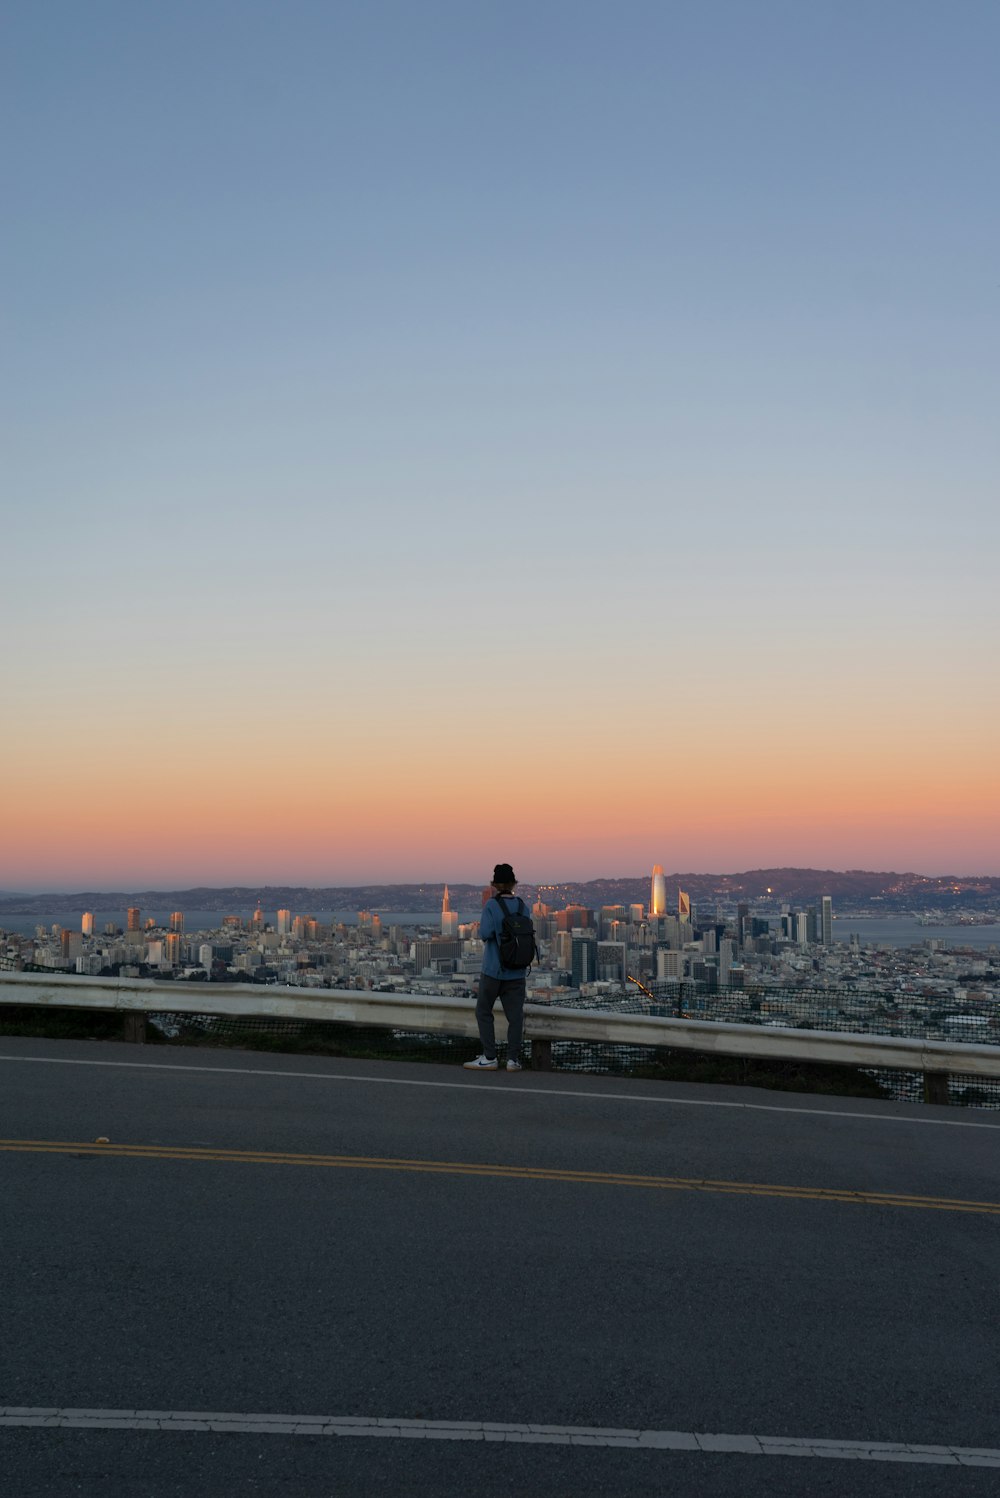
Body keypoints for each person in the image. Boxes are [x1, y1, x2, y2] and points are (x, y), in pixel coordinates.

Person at [463, 863, 531, 1072]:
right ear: (513, 883)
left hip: (493, 970)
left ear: (494, 884)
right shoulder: (522, 906)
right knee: (515, 1017)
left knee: (483, 1011)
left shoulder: (492, 905)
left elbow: (485, 934)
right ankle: (513, 1060)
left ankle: (490, 1056)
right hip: (518, 972)